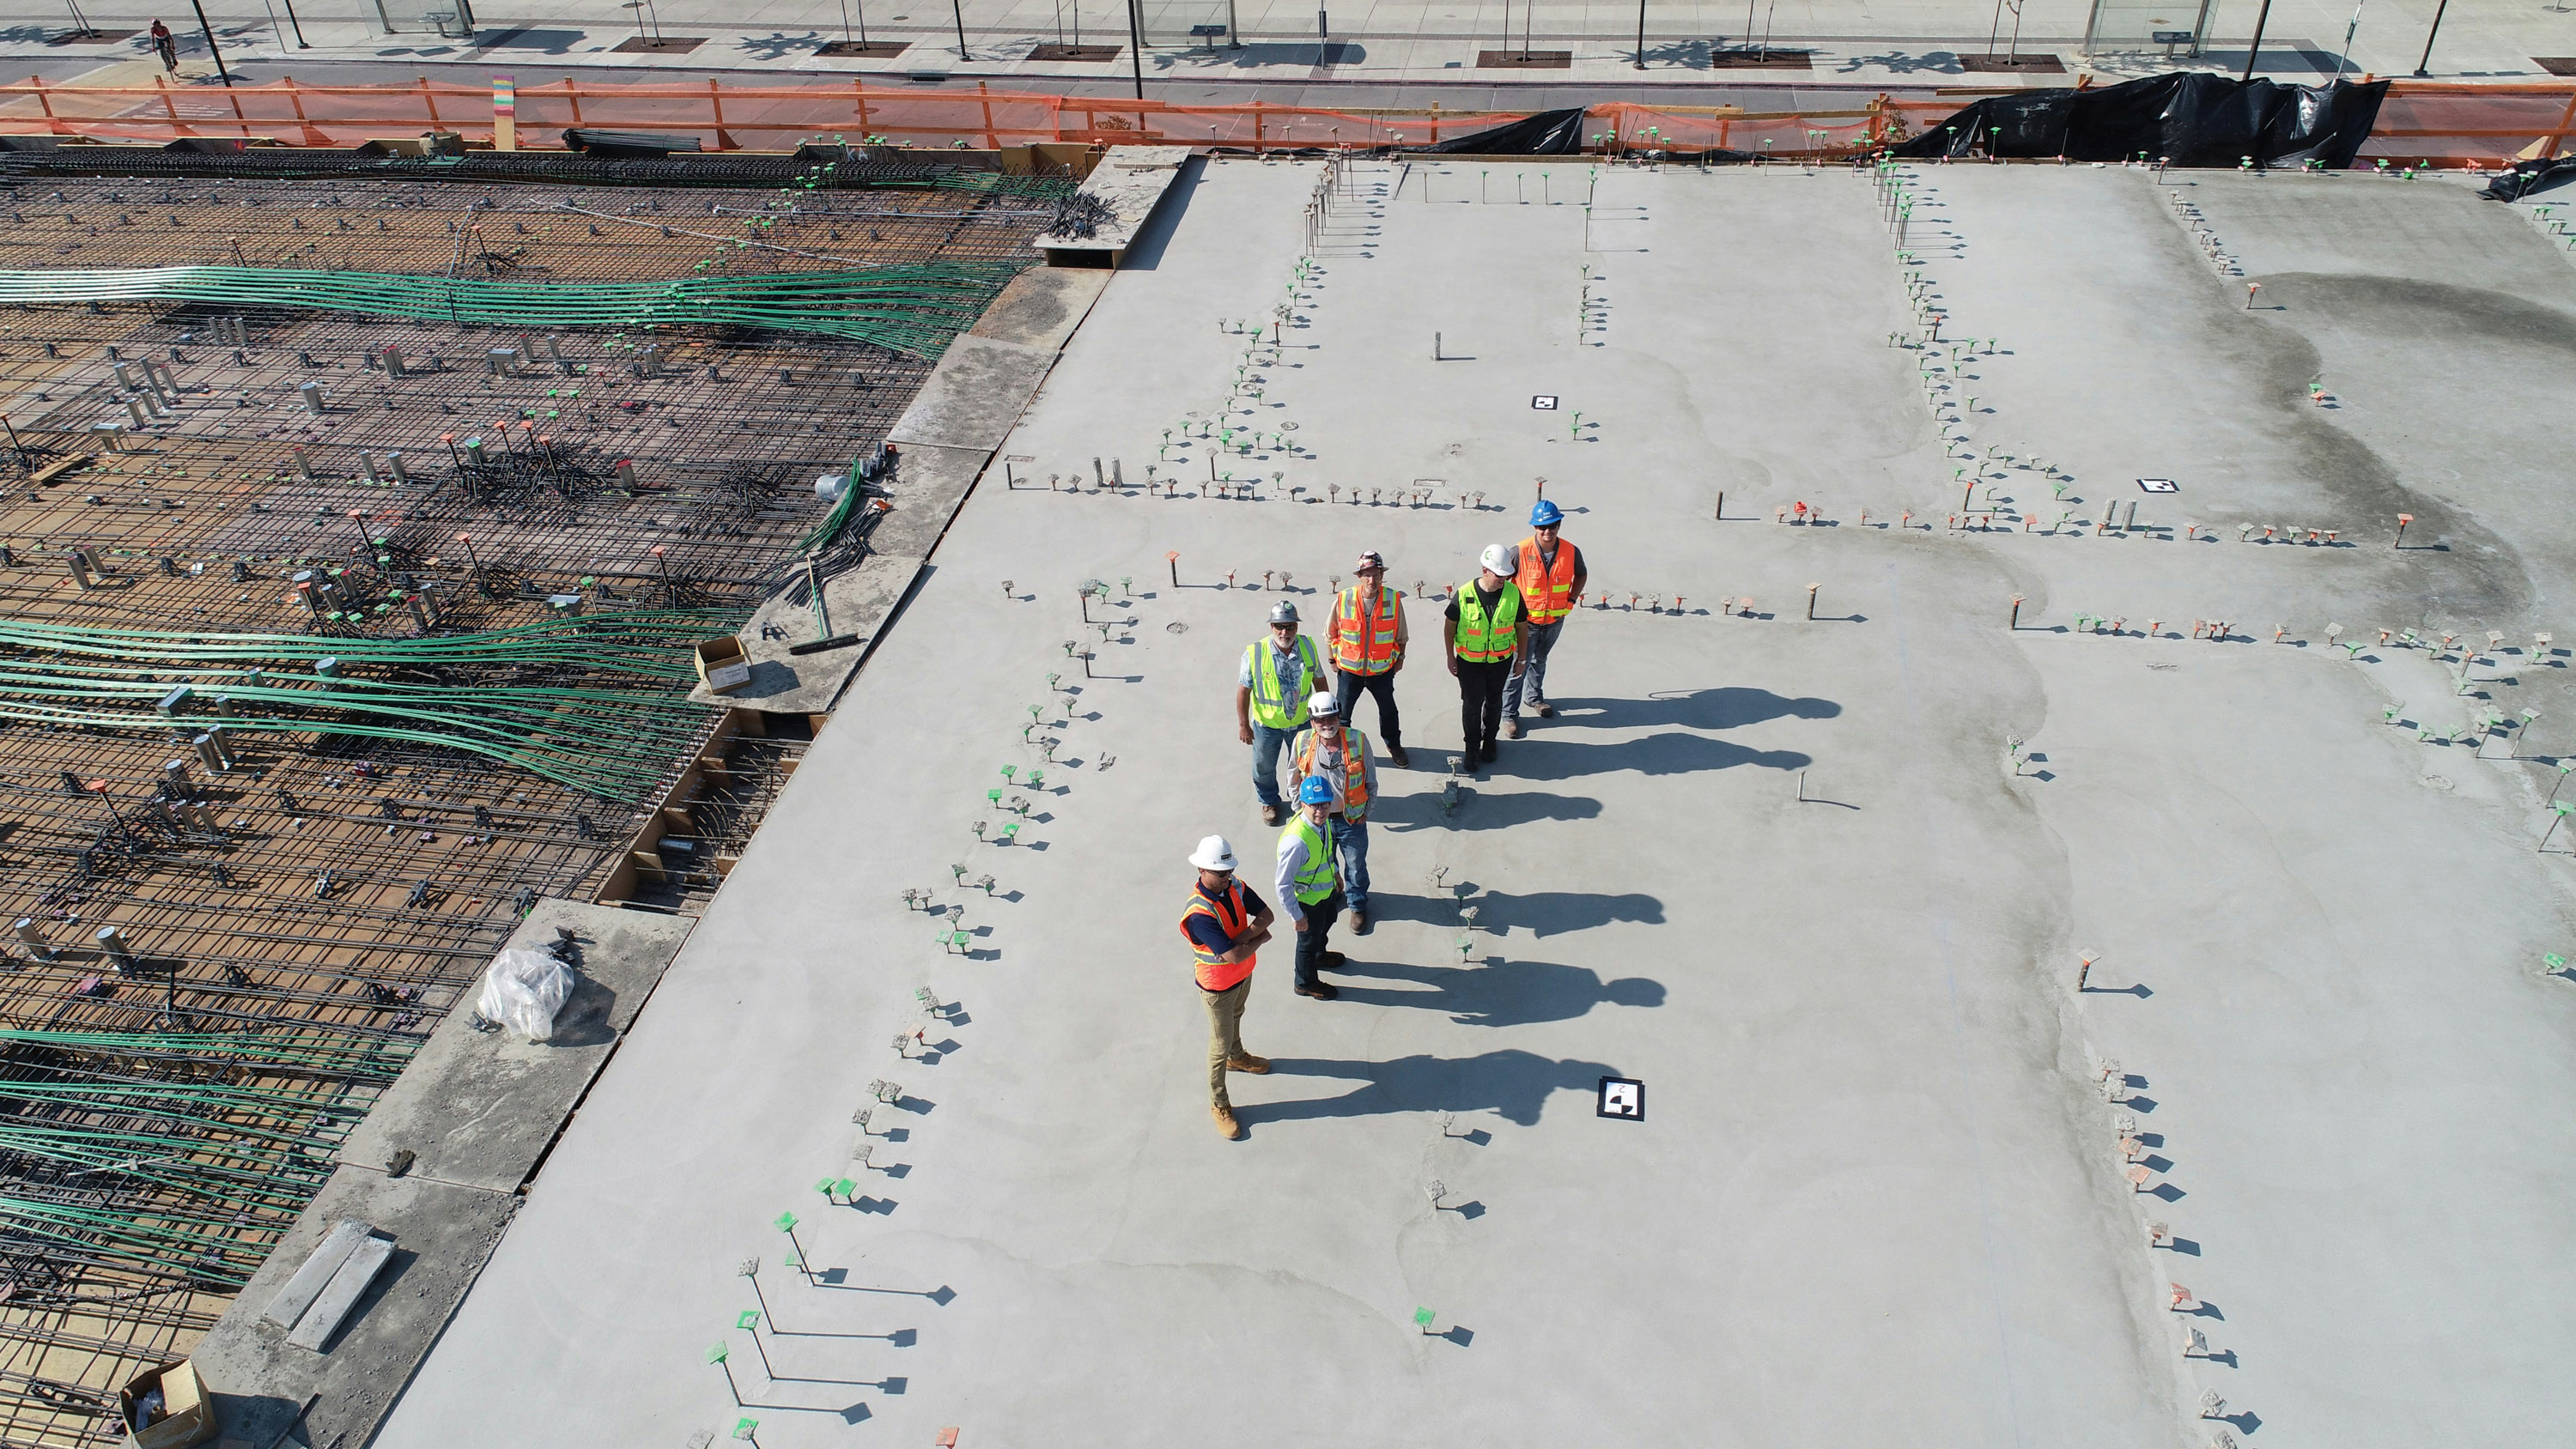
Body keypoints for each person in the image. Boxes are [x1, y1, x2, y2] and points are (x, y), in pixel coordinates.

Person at [1180, 834, 1275, 1141]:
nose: (1227, 877)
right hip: (1217, 986)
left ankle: (1238, 1057)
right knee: (1218, 1046)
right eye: (1221, 873)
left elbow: (1267, 915)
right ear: (1202, 871)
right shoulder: (1199, 914)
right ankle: (1219, 1104)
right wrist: (1257, 938)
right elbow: (1234, 954)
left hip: (1242, 975)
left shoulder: (1235, 886)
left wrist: (1244, 941)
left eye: (1229, 871)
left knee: (1237, 1016)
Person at [1288, 691, 1376, 934]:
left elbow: (1371, 779)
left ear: (1339, 716)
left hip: (1351, 820)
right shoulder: (1302, 741)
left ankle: (1357, 904)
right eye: (1321, 720)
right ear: (1311, 720)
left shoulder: (1358, 739)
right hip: (1317, 821)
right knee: (1325, 863)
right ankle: (1335, 895)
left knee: (1356, 865)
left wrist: (1367, 811)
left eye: (1331, 718)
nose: (1327, 724)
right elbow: (1293, 777)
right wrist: (1299, 811)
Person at [1236, 599, 1325, 827]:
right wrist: (1244, 725)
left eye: (1290, 626)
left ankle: (1303, 801)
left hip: (1302, 723)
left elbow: (1320, 681)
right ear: (1271, 627)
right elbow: (1243, 692)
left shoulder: (1307, 647)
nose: (1285, 632)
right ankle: (1269, 801)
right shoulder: (1255, 653)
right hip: (1267, 726)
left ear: (1297, 627)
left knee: (1304, 764)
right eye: (1279, 626)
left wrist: (1323, 717)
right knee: (1263, 767)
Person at [1503, 499, 1587, 737]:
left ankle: (1534, 698)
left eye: (1552, 526)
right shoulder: (1520, 551)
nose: (1547, 531)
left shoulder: (1571, 551)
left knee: (1540, 661)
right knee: (1518, 667)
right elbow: (1502, 578)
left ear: (1559, 525)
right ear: (1535, 528)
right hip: (1525, 624)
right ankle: (1509, 715)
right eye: (1542, 527)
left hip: (1554, 621)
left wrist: (1571, 600)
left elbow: (1581, 574)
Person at [1445, 544, 1528, 767]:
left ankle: (1489, 740)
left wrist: (1521, 659)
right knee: (1471, 705)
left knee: (1494, 701)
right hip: (1469, 663)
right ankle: (1472, 747)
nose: (1503, 579)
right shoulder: (1463, 594)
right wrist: (1450, 657)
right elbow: (1449, 626)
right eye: (1499, 575)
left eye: (1506, 575)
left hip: (1500, 662)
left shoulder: (1513, 594)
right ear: (1485, 570)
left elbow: (1521, 627)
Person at [1327, 550, 1411, 768]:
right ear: (1359, 576)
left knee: (1389, 711)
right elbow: (1331, 632)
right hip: (1349, 671)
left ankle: (1394, 745)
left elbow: (1402, 635)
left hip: (1382, 671)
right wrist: (1332, 661)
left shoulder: (1393, 599)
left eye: (1376, 574)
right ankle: (1341, 750)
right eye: (1367, 575)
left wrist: (1400, 658)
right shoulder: (1344, 598)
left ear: (1382, 576)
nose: (1371, 580)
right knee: (1342, 715)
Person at [1273, 775, 1344, 1001]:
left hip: (1325, 894)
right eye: (1314, 805)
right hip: (1307, 903)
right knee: (1307, 941)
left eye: (1324, 804)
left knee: (1328, 921)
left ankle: (1319, 955)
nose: (1320, 811)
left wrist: (1335, 873)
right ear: (1303, 804)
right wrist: (1297, 916)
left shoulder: (1323, 824)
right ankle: (1305, 982)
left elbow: (1326, 851)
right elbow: (1283, 884)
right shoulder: (1296, 842)